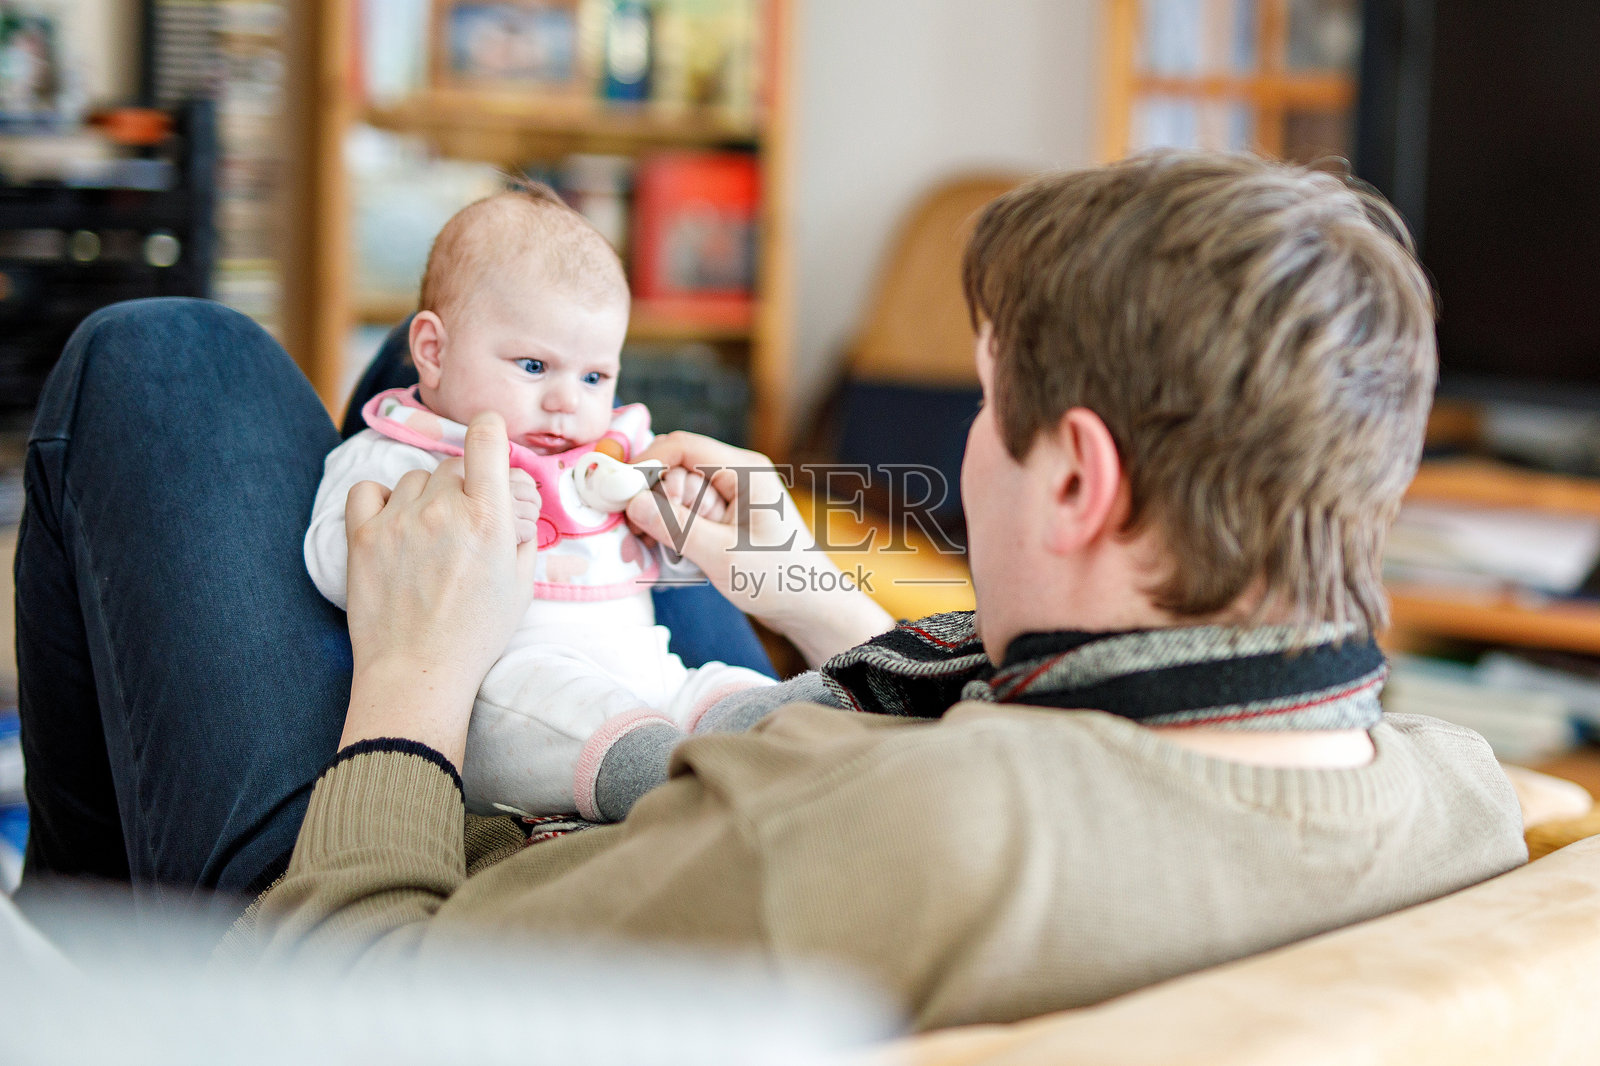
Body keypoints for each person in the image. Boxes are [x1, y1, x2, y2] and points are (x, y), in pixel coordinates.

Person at [15, 152, 1525, 1031]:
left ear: (1077, 479)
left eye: (982, 416)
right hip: (816, 809)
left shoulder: (852, 830)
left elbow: (357, 1011)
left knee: (169, 364)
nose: (962, 460)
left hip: (396, 903)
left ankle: (95, 977)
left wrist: (414, 668)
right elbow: (1094, 736)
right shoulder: (1468, 797)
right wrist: (810, 594)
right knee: (454, 380)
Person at [304, 185, 798, 820]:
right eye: (534, 365)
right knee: (562, 714)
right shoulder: (402, 450)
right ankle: (664, 783)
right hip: (500, 698)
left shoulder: (616, 447)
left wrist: (682, 505)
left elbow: (684, 551)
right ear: (432, 351)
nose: (569, 401)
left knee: (723, 686)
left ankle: (785, 738)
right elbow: (327, 561)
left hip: (648, 670)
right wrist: (443, 518)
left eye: (595, 377)